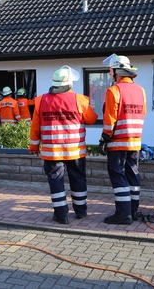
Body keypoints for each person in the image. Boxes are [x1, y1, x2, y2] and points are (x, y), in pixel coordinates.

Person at [29, 65, 98, 224]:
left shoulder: (41, 100)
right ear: (69, 83)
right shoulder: (80, 100)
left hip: (52, 152)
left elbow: (35, 127)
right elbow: (92, 119)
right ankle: (81, 212)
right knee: (78, 180)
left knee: (56, 182)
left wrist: (34, 146)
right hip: (75, 151)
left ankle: (61, 215)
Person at [99, 54, 146, 225]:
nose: (110, 73)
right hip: (135, 141)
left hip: (118, 141)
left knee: (117, 175)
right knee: (132, 174)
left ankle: (123, 214)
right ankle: (133, 211)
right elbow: (143, 113)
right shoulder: (140, 90)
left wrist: (104, 138)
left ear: (117, 71)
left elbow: (110, 118)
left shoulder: (114, 90)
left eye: (111, 70)